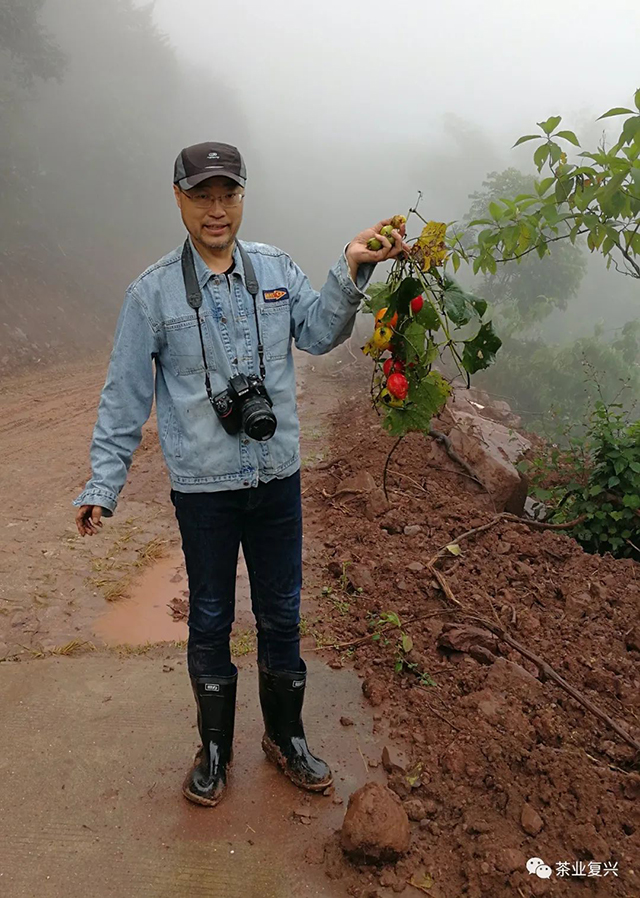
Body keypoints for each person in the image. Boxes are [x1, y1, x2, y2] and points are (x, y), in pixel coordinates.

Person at [73, 141, 408, 807]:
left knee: (283, 613)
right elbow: (124, 397)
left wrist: (351, 267)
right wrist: (102, 485)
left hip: (277, 477)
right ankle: (216, 747)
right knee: (209, 616)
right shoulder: (153, 294)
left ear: (243, 196)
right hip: (204, 489)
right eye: (202, 195)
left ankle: (286, 737)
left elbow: (315, 334)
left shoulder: (276, 269)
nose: (217, 209)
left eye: (228, 194)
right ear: (178, 199)